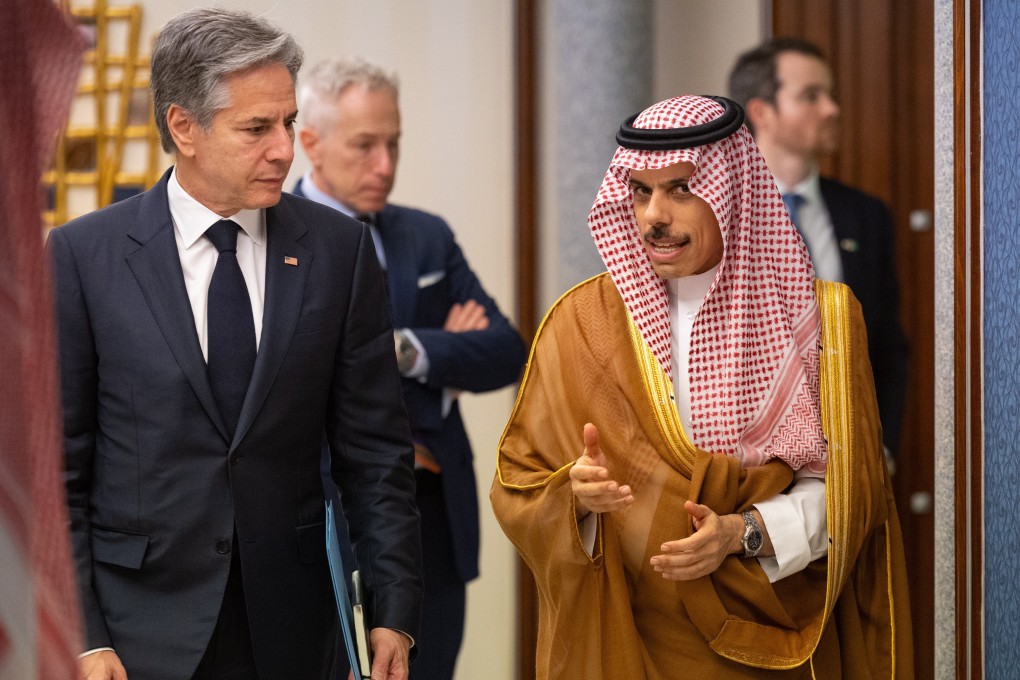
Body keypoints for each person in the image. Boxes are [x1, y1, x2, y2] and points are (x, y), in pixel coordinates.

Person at [49, 9, 422, 680]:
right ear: (183, 127)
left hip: (295, 631)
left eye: (285, 123)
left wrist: (394, 610)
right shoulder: (83, 257)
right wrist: (83, 636)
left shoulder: (340, 253)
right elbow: (58, 473)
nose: (284, 148)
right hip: (136, 638)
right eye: (257, 129)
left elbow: (376, 455)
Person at [490, 95, 912, 678]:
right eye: (640, 191)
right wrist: (575, 498)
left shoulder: (822, 321)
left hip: (771, 635)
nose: (653, 216)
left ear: (731, 192)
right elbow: (518, 483)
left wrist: (745, 534)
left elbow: (850, 494)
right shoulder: (580, 323)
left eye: (681, 189)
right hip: (629, 641)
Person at [293, 57, 527, 680]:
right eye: (365, 145)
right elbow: (302, 382)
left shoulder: (426, 238)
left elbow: (506, 351)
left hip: (433, 518)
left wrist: (403, 349)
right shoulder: (275, 239)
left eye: (393, 143)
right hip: (327, 515)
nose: (385, 166)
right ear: (310, 143)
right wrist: (438, 369)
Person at [728, 38, 908, 460]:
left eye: (830, 95)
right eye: (811, 96)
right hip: (745, 461)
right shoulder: (720, 217)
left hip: (847, 457)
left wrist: (882, 448)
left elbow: (886, 345)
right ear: (761, 112)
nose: (832, 109)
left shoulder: (867, 216)